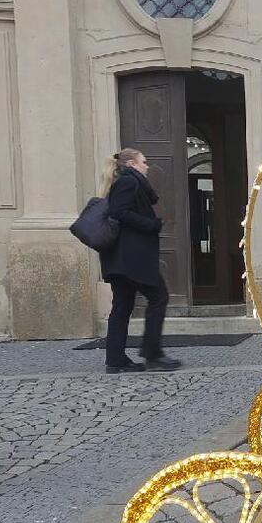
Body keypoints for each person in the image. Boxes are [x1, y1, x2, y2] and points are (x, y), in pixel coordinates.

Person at [99, 148, 181, 374]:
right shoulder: (128, 182)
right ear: (132, 165)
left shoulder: (126, 182)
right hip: (132, 258)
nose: (147, 166)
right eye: (144, 162)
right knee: (159, 297)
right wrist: (151, 225)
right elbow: (119, 212)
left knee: (122, 306)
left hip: (121, 259)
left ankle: (115, 360)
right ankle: (153, 355)